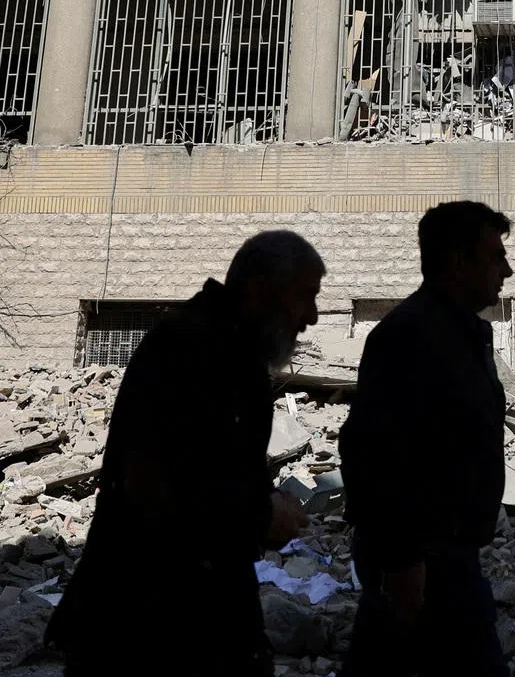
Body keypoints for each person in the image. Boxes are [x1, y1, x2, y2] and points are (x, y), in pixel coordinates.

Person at [46, 230, 325, 677]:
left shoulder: (232, 352)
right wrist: (261, 514)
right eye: (305, 296)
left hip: (194, 610)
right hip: (151, 623)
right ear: (259, 288)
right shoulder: (192, 348)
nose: (312, 316)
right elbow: (155, 484)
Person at [340, 201, 513, 677]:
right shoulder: (410, 336)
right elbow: (373, 453)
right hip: (421, 563)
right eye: (495, 257)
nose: (508, 271)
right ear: (458, 262)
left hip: (448, 558)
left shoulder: (462, 336)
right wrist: (402, 561)